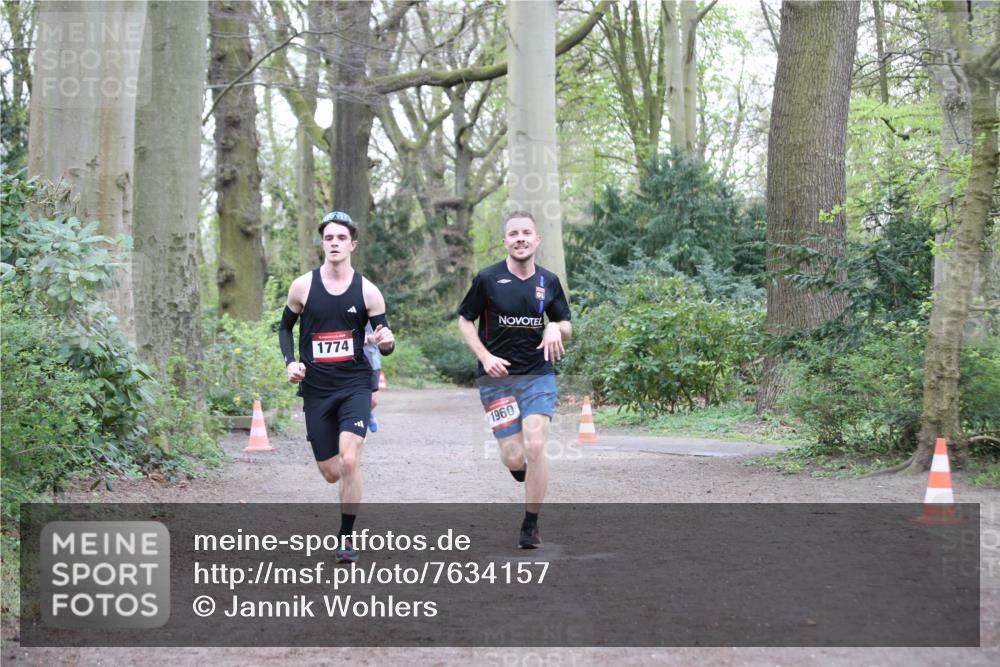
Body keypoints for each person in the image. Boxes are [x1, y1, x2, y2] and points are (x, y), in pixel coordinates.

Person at [278, 210, 395, 563]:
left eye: (341, 238)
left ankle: (346, 538)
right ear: (322, 243)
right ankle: (352, 436)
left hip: (355, 384)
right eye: (328, 238)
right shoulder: (303, 286)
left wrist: (385, 340)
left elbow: (386, 343)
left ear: (352, 244)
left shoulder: (368, 291)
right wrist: (291, 363)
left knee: (348, 461)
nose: (334, 243)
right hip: (316, 389)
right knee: (331, 473)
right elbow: (285, 329)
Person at [457, 211, 572, 549]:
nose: (520, 238)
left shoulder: (548, 281)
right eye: (513, 233)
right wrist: (485, 357)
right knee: (513, 456)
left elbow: (567, 324)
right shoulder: (487, 279)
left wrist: (554, 326)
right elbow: (465, 320)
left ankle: (530, 523)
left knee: (537, 445)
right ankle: (520, 468)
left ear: (536, 240)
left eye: (526, 233)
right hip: (497, 380)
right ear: (505, 241)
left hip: (538, 375)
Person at [363, 322, 381, 432]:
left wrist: (369, 338)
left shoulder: (374, 308)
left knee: (373, 401)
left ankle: (368, 413)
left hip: (372, 360)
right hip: (350, 362)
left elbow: (382, 335)